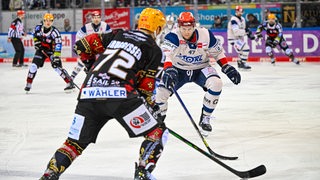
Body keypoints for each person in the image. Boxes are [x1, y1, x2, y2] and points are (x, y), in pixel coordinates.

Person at [39, 7, 167, 180]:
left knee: (74, 143)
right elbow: (145, 89)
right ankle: (143, 172)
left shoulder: (118, 34)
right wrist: (154, 111)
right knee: (157, 132)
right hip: (121, 97)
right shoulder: (153, 49)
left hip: (89, 93)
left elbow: (81, 46)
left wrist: (90, 66)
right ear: (158, 29)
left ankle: (50, 173)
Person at [155, 11, 241, 137]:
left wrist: (226, 66)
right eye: (184, 28)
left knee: (216, 83)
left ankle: (205, 118)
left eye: (189, 28)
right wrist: (168, 69)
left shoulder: (205, 34)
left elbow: (217, 53)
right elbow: (166, 54)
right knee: (161, 92)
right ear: (179, 27)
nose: (186, 32)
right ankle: (158, 121)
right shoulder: (173, 36)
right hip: (178, 70)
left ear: (194, 26)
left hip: (201, 68)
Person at [24, 13, 74, 92]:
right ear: (43, 21)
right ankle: (28, 83)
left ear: (52, 22)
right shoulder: (38, 28)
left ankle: (69, 82)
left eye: (50, 21)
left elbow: (58, 44)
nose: (48, 22)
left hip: (52, 51)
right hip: (41, 50)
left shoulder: (55, 32)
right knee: (33, 66)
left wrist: (56, 57)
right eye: (46, 20)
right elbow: (34, 35)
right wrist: (37, 42)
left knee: (57, 67)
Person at [68, 11, 112, 88]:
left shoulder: (105, 26)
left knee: (105, 64)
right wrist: (79, 47)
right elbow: (78, 38)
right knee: (81, 63)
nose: (96, 19)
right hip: (89, 49)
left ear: (100, 18)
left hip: (101, 48)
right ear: (91, 19)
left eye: (98, 17)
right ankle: (70, 80)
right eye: (94, 18)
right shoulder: (86, 27)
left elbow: (111, 38)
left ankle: (106, 81)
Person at [227, 5, 255, 70]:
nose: (239, 12)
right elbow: (236, 32)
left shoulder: (243, 19)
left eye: (241, 11)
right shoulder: (233, 20)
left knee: (242, 51)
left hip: (239, 38)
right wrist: (246, 32)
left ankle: (240, 63)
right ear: (235, 11)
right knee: (246, 48)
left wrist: (249, 34)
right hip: (233, 39)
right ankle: (243, 63)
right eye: (238, 11)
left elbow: (245, 28)